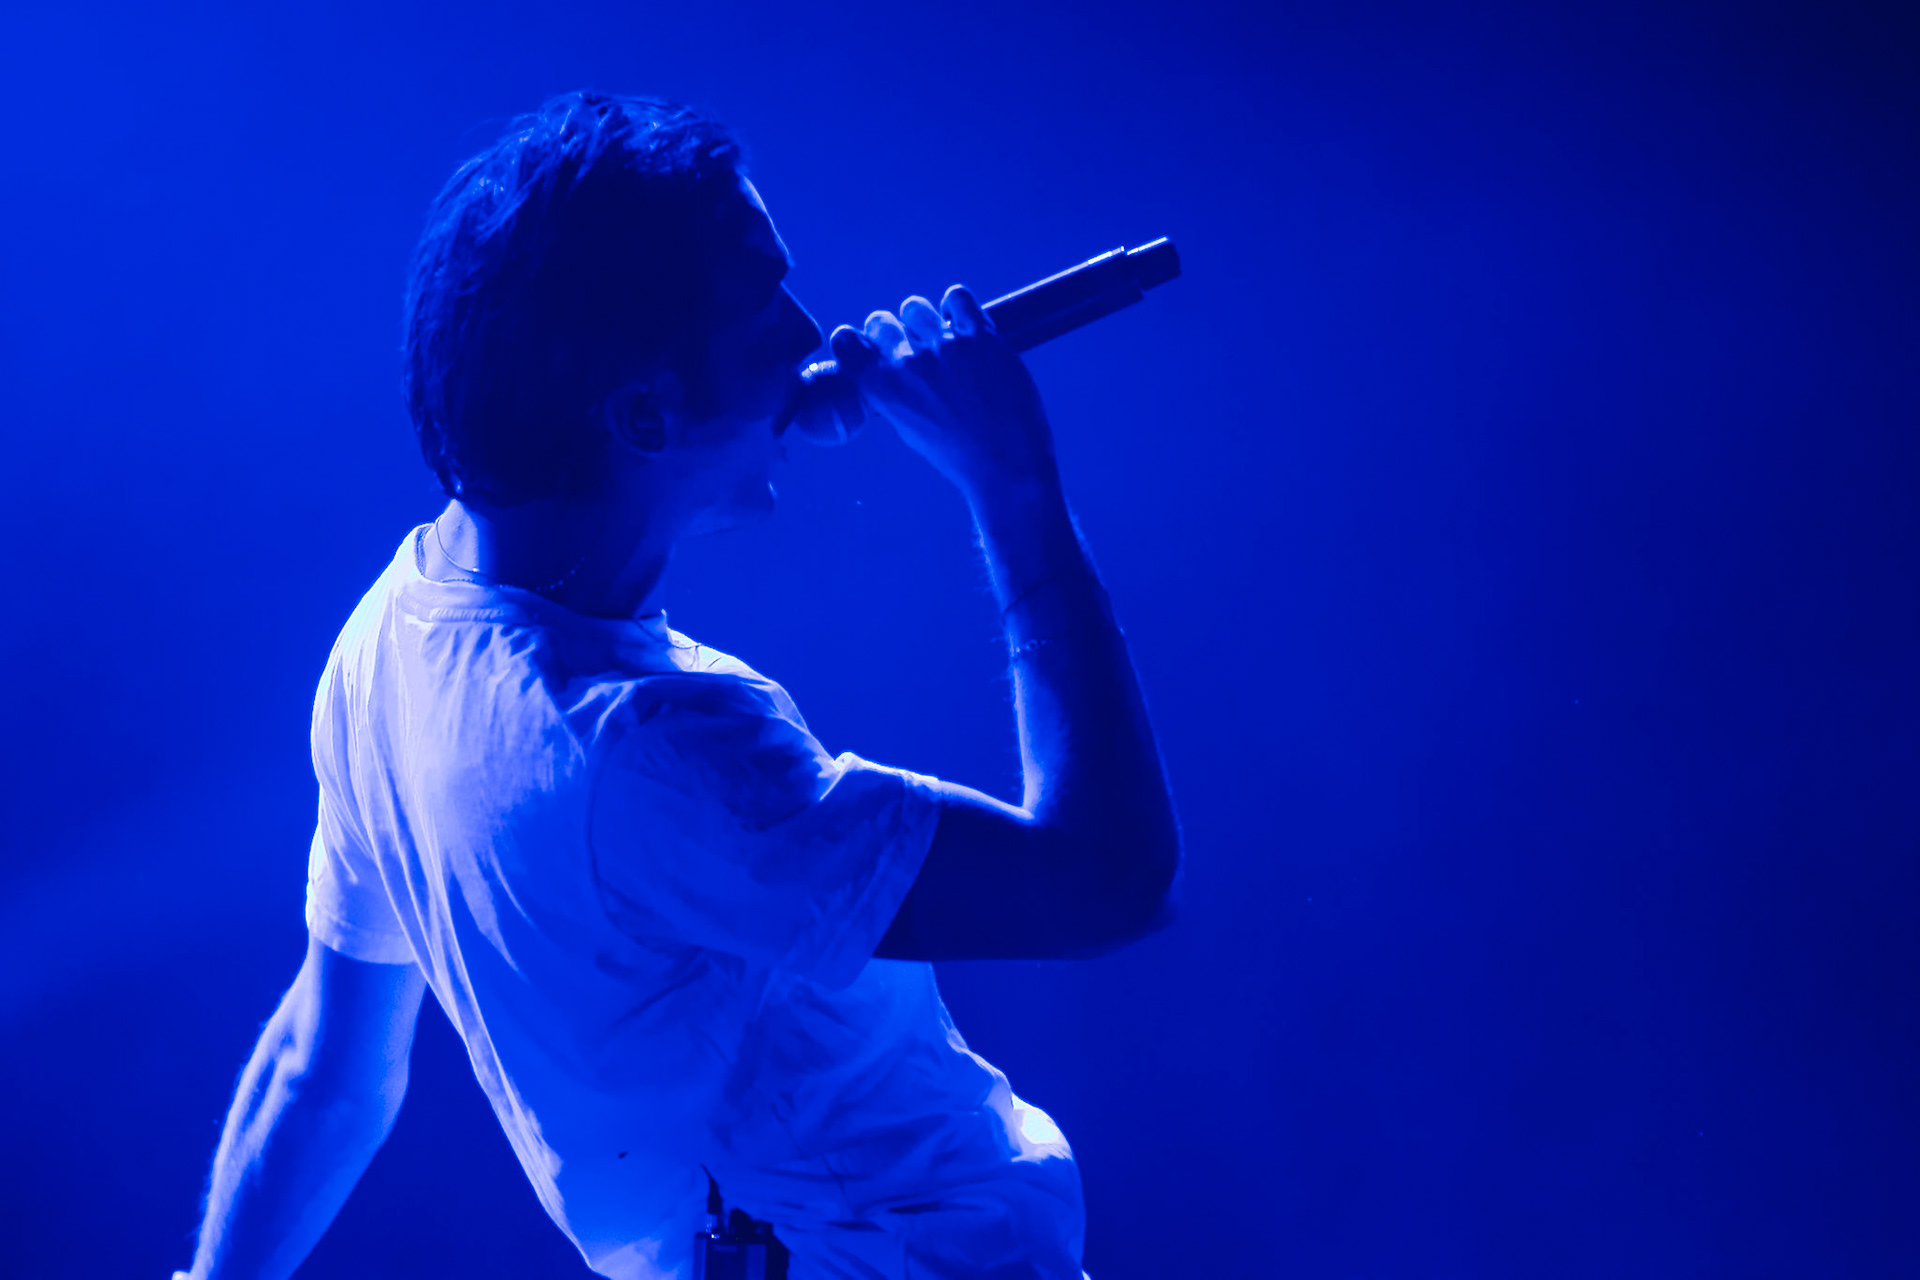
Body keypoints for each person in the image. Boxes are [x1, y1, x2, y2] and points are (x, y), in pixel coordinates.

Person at [176, 90, 1181, 1280]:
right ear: (644, 413)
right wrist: (1014, 487)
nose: (816, 333)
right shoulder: (662, 753)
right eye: (763, 306)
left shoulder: (385, 643)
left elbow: (323, 1065)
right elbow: (1109, 881)